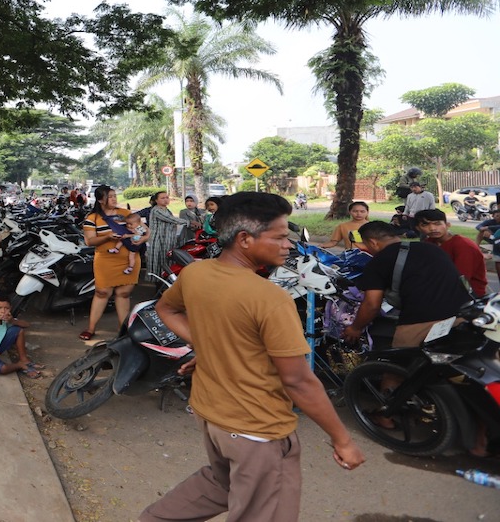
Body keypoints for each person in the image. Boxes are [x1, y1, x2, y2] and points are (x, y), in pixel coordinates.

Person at [141, 192, 365, 522]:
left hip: (212, 417)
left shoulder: (196, 274)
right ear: (245, 239)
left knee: (224, 483)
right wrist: (342, 439)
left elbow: (167, 309)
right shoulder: (270, 299)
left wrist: (211, 345)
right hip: (256, 429)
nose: (288, 245)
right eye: (279, 236)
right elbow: (299, 381)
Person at [342, 221, 473, 347]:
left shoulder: (378, 262)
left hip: (421, 322)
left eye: (366, 244)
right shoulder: (432, 248)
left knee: (402, 359)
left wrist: (355, 328)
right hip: (463, 315)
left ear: (373, 242)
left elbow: (372, 304)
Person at [78, 185, 139, 342]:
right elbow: (89, 241)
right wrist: (107, 237)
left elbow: (142, 230)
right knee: (102, 292)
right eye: (109, 197)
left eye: (114, 196)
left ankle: (123, 329)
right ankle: (91, 328)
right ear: (100, 200)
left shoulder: (126, 214)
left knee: (123, 293)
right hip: (106, 259)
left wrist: (139, 236)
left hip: (128, 259)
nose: (113, 199)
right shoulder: (93, 218)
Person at [414, 209, 488, 298]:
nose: (432, 228)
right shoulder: (428, 243)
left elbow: (461, 278)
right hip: (436, 291)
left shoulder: (463, 245)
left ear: (447, 225)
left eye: (437, 224)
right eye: (425, 225)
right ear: (418, 228)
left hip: (466, 295)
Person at [147, 191, 189, 278]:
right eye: (162, 198)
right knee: (157, 262)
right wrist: (189, 222)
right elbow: (171, 219)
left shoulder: (166, 210)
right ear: (156, 200)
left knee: (166, 261)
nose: (165, 200)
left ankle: (166, 280)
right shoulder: (156, 210)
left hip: (167, 240)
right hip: (158, 240)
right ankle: (157, 282)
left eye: (167, 197)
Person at [477, 208, 500, 278]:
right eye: (497, 216)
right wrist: (484, 229)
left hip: (496, 239)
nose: (499, 217)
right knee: (482, 232)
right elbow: (479, 226)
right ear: (493, 216)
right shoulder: (490, 221)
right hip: (495, 240)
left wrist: (488, 228)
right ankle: (476, 247)